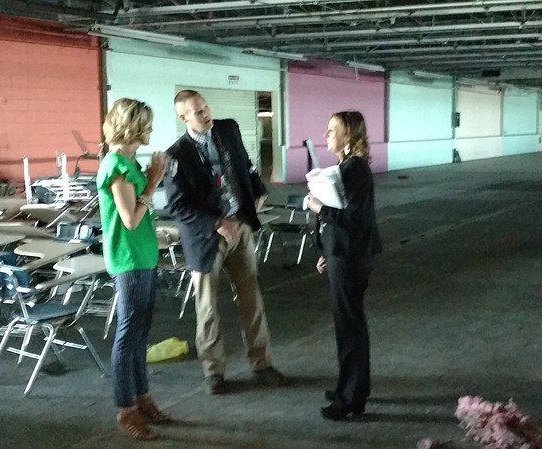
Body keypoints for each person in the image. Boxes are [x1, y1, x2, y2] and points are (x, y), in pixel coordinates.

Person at [164, 89, 285, 394]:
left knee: (251, 298)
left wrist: (257, 189)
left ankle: (262, 363)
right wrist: (217, 223)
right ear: (183, 118)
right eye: (199, 112)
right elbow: (178, 206)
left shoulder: (228, 129)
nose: (207, 115)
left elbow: (245, 162)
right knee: (207, 307)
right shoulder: (176, 155)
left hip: (240, 226)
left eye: (206, 108)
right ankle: (213, 372)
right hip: (205, 237)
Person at [97, 98, 170, 440]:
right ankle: (125, 408)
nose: (151, 131)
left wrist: (149, 179)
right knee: (128, 335)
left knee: (140, 334)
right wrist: (153, 182)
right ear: (134, 127)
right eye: (147, 125)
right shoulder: (116, 165)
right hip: (128, 258)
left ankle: (141, 398)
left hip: (142, 256)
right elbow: (129, 219)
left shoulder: (129, 163)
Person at [306, 110, 382, 421]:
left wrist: (318, 207)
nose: (325, 135)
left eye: (332, 129)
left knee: (350, 327)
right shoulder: (345, 167)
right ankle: (349, 388)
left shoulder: (355, 170)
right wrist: (328, 248)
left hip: (351, 259)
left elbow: (354, 220)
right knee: (346, 325)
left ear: (349, 135)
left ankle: (351, 398)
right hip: (343, 255)